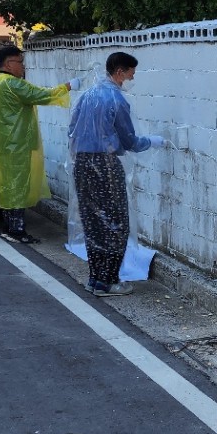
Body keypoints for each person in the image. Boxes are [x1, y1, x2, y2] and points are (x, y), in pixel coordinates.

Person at [68, 50, 167, 296]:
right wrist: (152, 141)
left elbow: (72, 129)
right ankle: (108, 281)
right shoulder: (117, 100)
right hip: (105, 165)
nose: (130, 80)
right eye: (130, 75)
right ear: (119, 71)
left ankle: (95, 278)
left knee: (93, 221)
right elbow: (129, 140)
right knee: (115, 222)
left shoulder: (86, 95)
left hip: (82, 163)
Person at [0, 44, 77, 244]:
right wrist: (68, 86)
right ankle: (17, 231)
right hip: (17, 146)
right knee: (17, 187)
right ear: (9, 63)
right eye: (20, 62)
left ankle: (9, 228)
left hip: (5, 146)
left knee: (8, 186)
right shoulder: (13, 84)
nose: (23, 67)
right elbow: (42, 95)